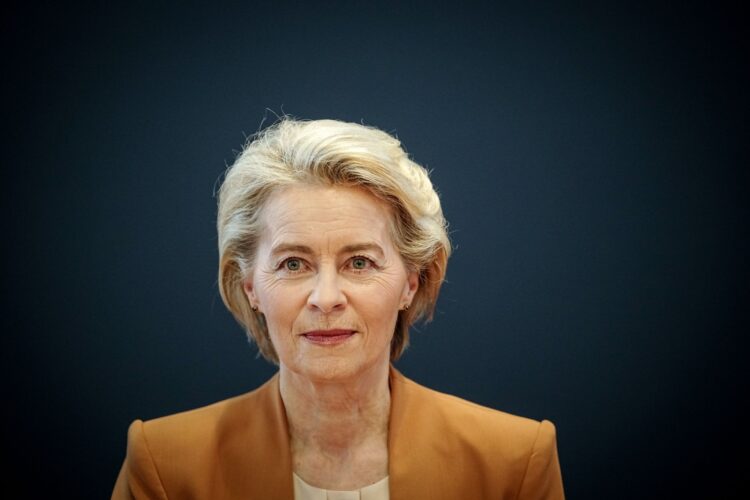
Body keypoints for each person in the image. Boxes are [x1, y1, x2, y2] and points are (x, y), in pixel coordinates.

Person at [112, 118, 565, 499]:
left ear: (411, 282)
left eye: (359, 262)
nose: (326, 297)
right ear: (250, 286)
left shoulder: (514, 463)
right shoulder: (165, 466)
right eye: (293, 263)